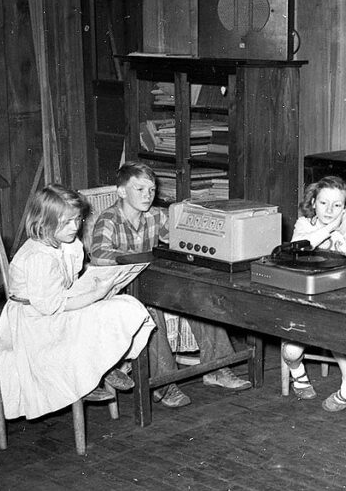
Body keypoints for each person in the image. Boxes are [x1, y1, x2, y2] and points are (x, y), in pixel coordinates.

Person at [90, 162, 251, 409]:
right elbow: (99, 254)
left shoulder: (155, 215)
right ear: (121, 191)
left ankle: (217, 368)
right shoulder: (109, 219)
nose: (147, 195)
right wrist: (139, 258)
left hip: (152, 281)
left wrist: (190, 220)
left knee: (200, 294)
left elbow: (179, 238)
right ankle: (164, 384)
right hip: (121, 289)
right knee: (149, 313)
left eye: (151, 190)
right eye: (140, 189)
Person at [0, 184, 155, 420]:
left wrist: (99, 283)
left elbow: (67, 283)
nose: (74, 227)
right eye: (66, 222)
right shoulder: (39, 257)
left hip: (52, 309)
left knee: (124, 305)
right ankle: (90, 375)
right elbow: (51, 306)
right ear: (43, 222)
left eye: (77, 220)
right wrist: (96, 294)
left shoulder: (65, 244)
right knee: (107, 311)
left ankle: (105, 365)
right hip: (35, 324)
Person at [282, 175, 346, 411]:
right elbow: (301, 246)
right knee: (291, 351)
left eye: (337, 205)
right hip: (305, 296)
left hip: (337, 296)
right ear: (313, 203)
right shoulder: (304, 224)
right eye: (323, 203)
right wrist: (331, 227)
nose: (330, 210)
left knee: (335, 330)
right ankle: (297, 372)